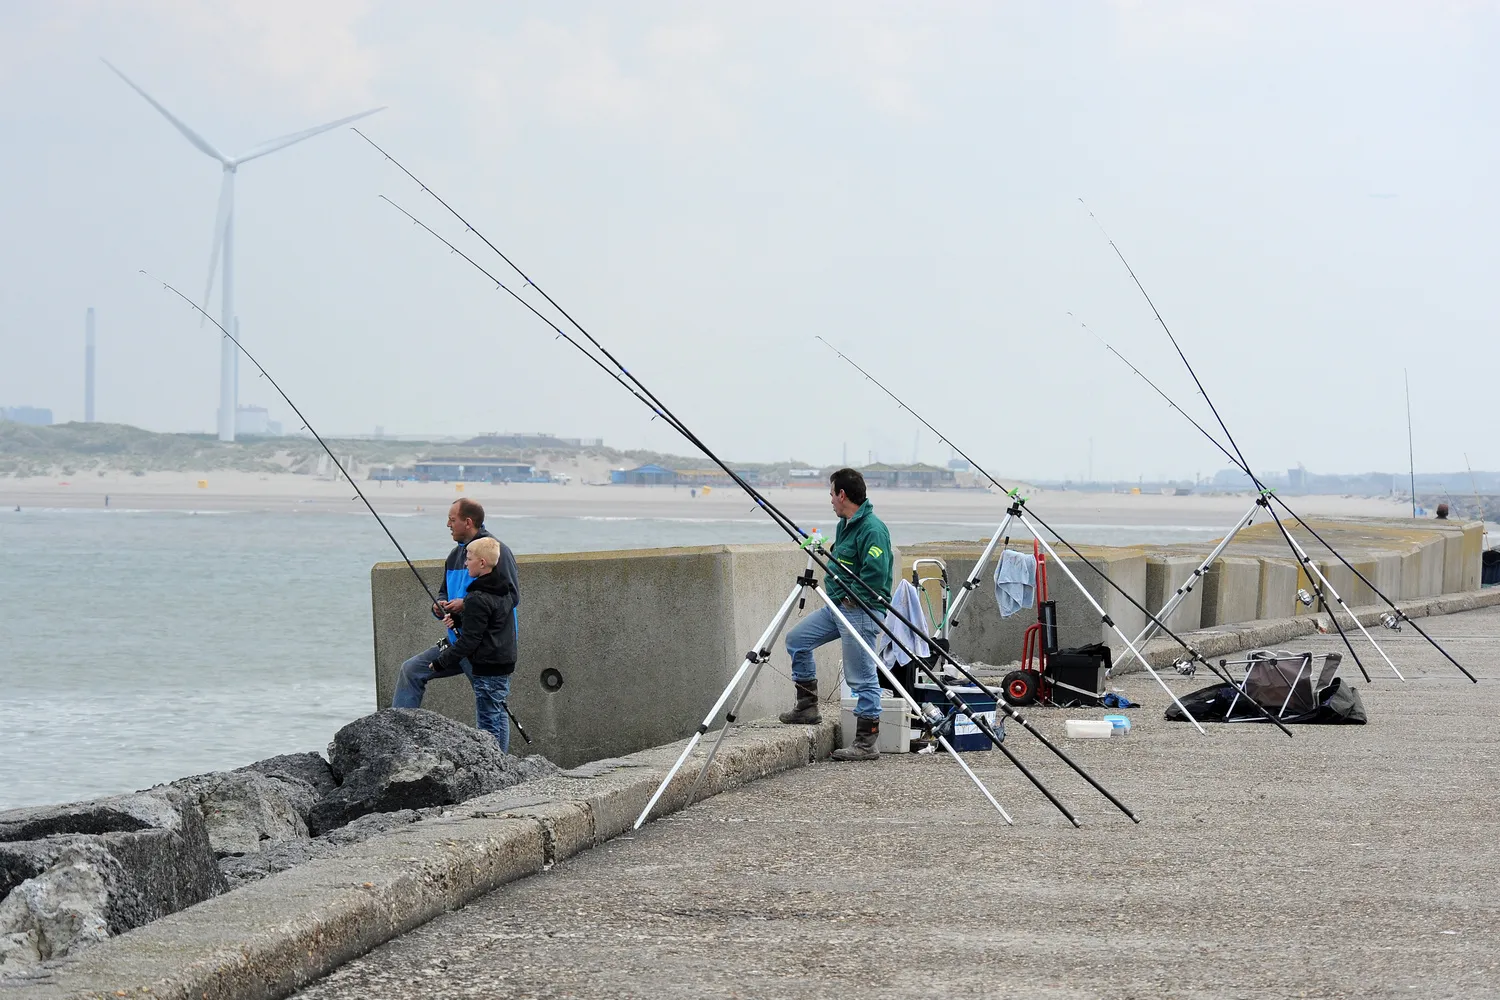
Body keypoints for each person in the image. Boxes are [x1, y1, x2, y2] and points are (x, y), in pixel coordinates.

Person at [779, 468, 893, 762]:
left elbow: (876, 574)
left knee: (862, 677)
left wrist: (848, 594)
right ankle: (807, 707)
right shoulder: (845, 524)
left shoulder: (872, 529)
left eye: (831, 493)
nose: (830, 499)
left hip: (861, 610)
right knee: (797, 640)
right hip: (837, 608)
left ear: (842, 495)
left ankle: (867, 743)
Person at [392, 499, 522, 751]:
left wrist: (466, 605)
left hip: (484, 648)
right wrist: (439, 605)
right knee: (411, 670)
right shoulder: (455, 556)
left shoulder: (496, 551)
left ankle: (498, 763)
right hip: (457, 643)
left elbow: (511, 597)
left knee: (492, 709)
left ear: (468, 522)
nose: (448, 524)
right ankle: (398, 739)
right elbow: (443, 591)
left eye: (452, 520)